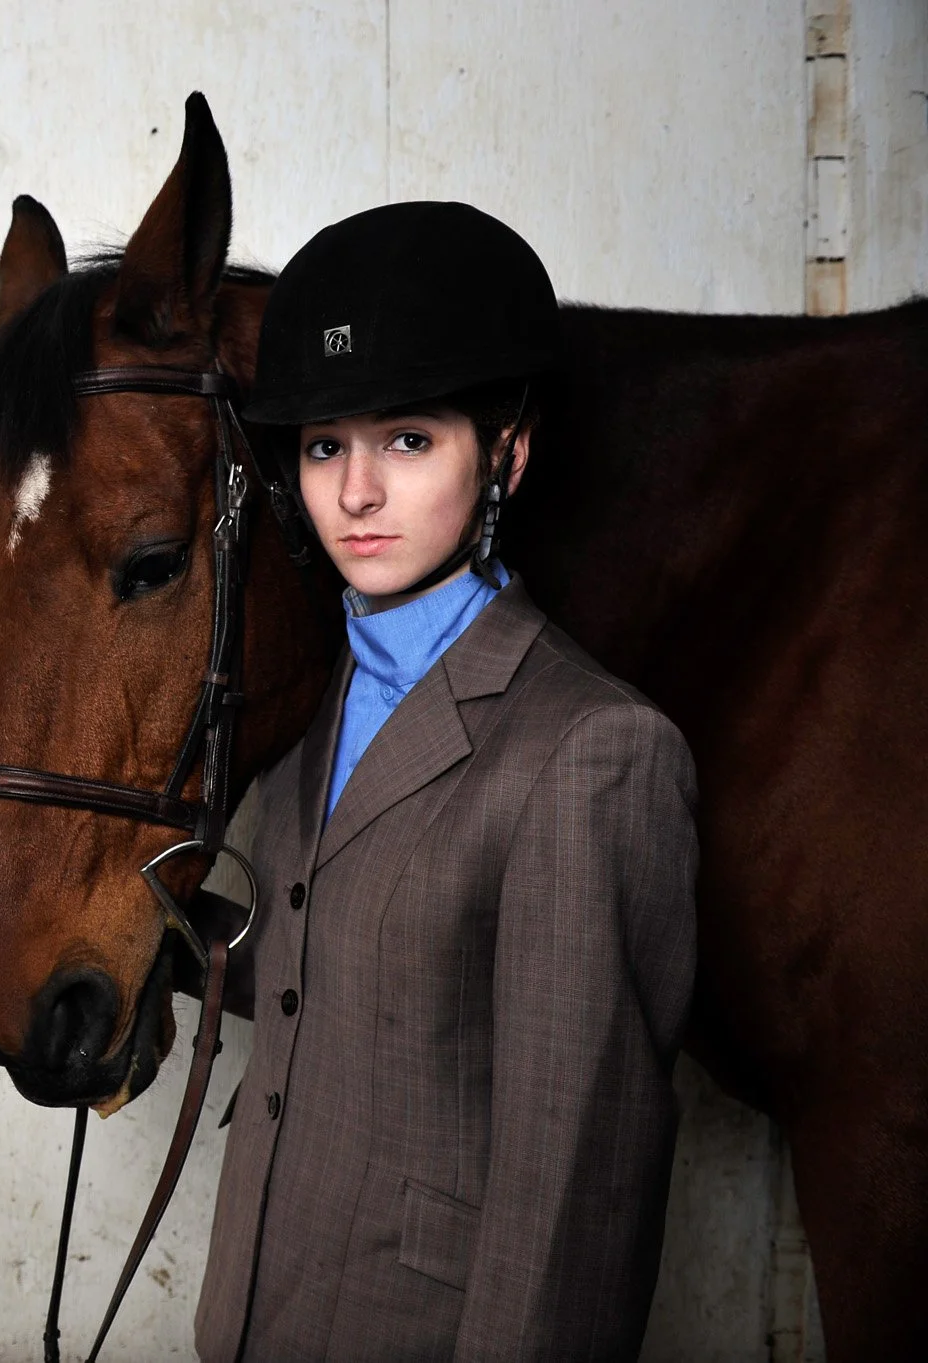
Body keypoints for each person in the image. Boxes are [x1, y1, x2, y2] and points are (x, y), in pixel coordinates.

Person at [190, 202, 698, 1362]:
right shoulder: (314, 704)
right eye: (323, 446)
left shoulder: (594, 753)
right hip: (253, 1302)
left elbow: (575, 1198)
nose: (354, 493)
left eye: (407, 441)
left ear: (504, 454)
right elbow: (330, 965)